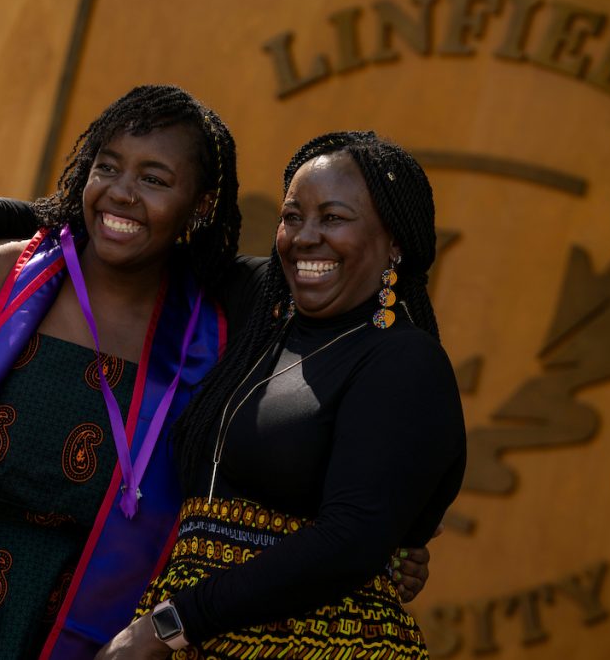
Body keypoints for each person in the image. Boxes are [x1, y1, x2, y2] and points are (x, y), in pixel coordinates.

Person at [0, 89, 431, 660]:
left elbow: (301, 441)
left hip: (97, 630)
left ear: (200, 204)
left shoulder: (218, 319)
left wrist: (391, 543)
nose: (122, 192)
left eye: (155, 178)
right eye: (106, 167)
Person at [96, 131, 467, 659]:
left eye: (333, 218)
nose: (305, 237)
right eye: (293, 216)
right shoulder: (265, 310)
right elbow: (137, 237)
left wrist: (167, 626)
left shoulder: (405, 363)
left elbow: (349, 541)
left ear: (395, 242)